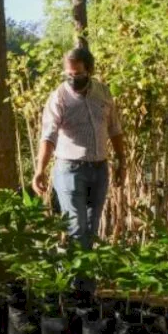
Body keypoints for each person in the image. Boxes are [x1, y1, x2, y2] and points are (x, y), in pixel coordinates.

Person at [32, 47, 127, 250]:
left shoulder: (102, 92)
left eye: (78, 74)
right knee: (77, 227)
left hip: (100, 169)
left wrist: (121, 161)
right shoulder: (58, 97)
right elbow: (48, 136)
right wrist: (40, 170)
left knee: (92, 229)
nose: (73, 79)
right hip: (70, 170)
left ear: (89, 71)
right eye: (68, 75)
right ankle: (77, 280)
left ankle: (86, 280)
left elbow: (115, 129)